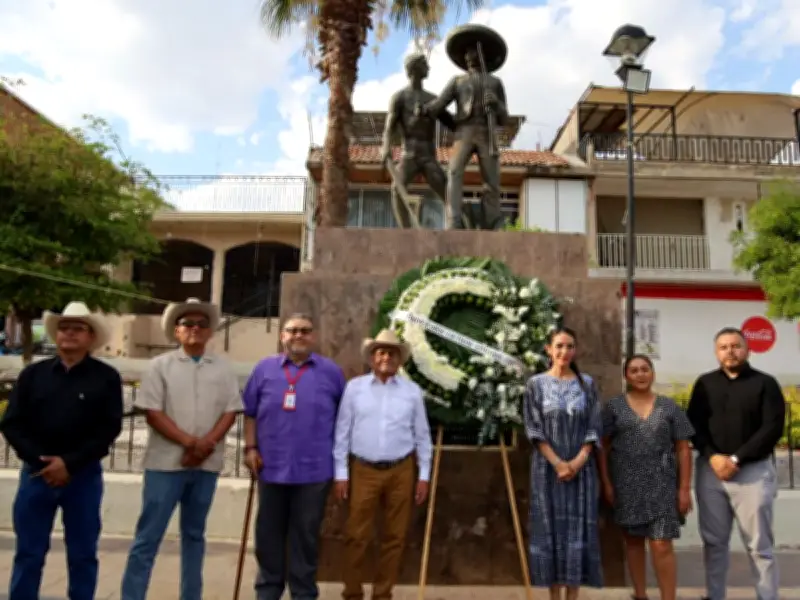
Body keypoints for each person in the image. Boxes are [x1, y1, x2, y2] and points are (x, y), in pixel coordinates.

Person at [0, 301, 123, 600]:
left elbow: (109, 428)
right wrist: (42, 462)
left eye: (78, 328)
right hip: (36, 476)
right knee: (29, 553)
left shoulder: (106, 378)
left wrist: (68, 463)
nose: (69, 334)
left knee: (82, 555)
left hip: (83, 477)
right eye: (64, 328)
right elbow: (12, 423)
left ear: (91, 336)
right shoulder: (33, 375)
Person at [120, 297, 241, 600]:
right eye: (188, 323)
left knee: (194, 536)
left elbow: (230, 410)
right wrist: (189, 443)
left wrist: (206, 444)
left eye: (202, 324)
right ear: (176, 330)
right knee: (148, 537)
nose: (195, 329)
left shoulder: (223, 368)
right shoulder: (160, 366)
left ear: (210, 331)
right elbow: (152, 411)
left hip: (206, 465)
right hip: (165, 465)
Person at [242, 312, 345, 600]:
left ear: (314, 336)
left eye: (305, 330)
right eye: (292, 330)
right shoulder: (263, 369)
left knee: (306, 537)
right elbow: (249, 413)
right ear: (282, 335)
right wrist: (250, 448)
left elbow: (344, 419)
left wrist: (340, 467)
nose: (298, 335)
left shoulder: (331, 372)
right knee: (268, 535)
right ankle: (268, 591)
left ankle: (303, 593)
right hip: (270, 467)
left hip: (314, 471)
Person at [687, 326, 786, 600]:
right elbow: (694, 424)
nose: (730, 351)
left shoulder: (766, 384)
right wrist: (713, 456)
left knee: (759, 546)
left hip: (752, 473)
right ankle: (715, 595)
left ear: (747, 349)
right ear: (716, 352)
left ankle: (767, 596)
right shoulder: (705, 384)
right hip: (711, 472)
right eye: (724, 347)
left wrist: (735, 458)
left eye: (735, 345)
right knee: (714, 543)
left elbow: (772, 428)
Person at [334, 329, 433, 600]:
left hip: (401, 470)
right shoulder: (354, 389)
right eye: (381, 352)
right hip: (363, 470)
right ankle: (352, 592)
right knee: (356, 536)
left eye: (392, 352)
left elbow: (423, 436)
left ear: (399, 359)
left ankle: (383, 593)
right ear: (372, 357)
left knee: (395, 537)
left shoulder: (412, 392)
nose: (386, 357)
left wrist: (423, 476)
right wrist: (341, 473)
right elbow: (342, 432)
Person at [598, 354, 694, 600]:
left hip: (663, 484)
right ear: (626, 376)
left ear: (652, 373)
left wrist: (684, 489)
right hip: (626, 484)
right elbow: (603, 447)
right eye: (634, 370)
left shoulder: (669, 406)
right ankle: (640, 595)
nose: (640, 374)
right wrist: (607, 483)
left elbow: (683, 448)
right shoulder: (614, 407)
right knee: (633, 542)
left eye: (645, 369)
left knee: (662, 544)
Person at [523, 326, 603, 600]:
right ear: (548, 349)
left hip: (581, 470)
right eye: (559, 346)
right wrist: (558, 463)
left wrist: (578, 461)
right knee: (550, 531)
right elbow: (533, 428)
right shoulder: (536, 385)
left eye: (569, 346)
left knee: (576, 532)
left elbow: (594, 426)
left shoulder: (586, 384)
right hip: (547, 469)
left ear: (576, 350)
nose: (564, 352)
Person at [380, 52, 455, 228]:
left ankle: (459, 227)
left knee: (448, 193)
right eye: (424, 65)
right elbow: (388, 127)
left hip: (429, 156)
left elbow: (453, 123)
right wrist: (385, 147)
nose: (428, 68)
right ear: (414, 69)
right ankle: (406, 231)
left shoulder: (432, 99)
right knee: (396, 189)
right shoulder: (399, 98)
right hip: (409, 154)